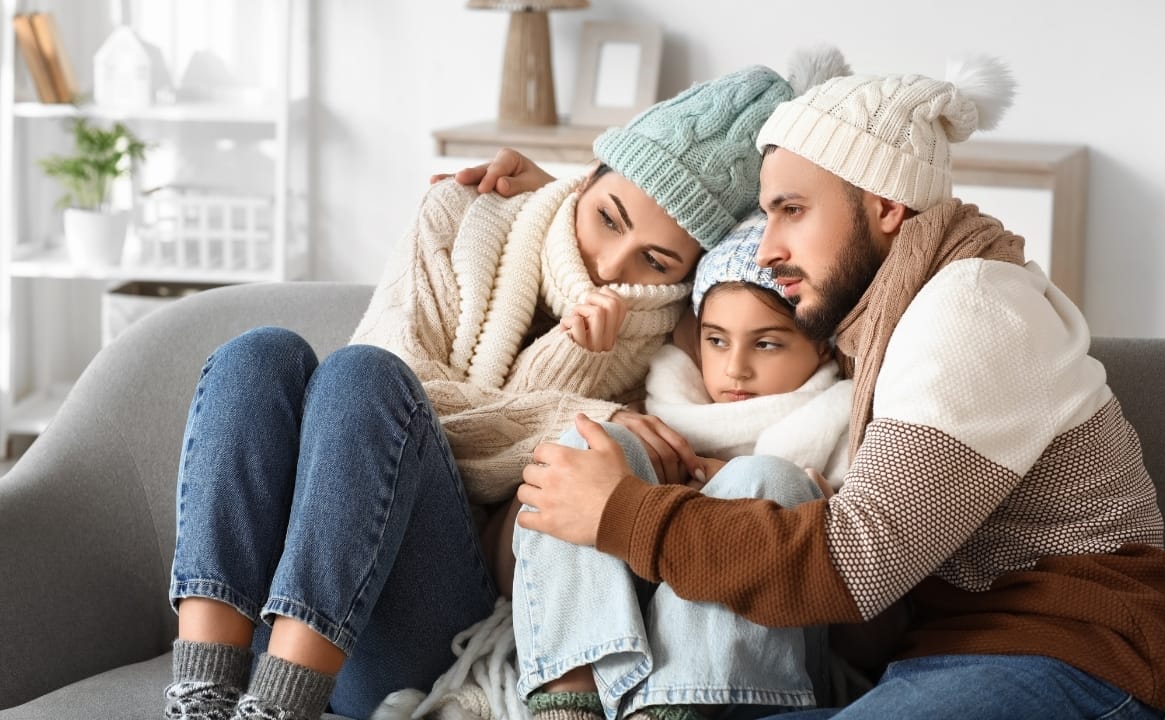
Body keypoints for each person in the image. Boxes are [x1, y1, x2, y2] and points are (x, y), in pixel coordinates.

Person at [513, 56, 1165, 719]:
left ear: (883, 206)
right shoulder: (887, 316)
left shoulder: (971, 303)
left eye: (791, 210)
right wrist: (538, 194)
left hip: (1076, 651)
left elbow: (859, 561)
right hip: (936, 654)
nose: (766, 248)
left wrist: (622, 513)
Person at [163, 63, 799, 720]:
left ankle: (278, 710)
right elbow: (402, 404)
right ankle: (202, 699)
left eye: (657, 262)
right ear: (587, 180)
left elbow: (533, 512)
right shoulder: (463, 217)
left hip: (426, 631)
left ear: (688, 275)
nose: (612, 268)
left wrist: (575, 363)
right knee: (263, 355)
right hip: (280, 595)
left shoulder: (675, 345)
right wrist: (568, 414)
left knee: (360, 381)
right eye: (608, 219)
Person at [510, 209, 853, 720]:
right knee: (588, 445)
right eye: (717, 340)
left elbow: (880, 624)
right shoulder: (664, 410)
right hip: (630, 659)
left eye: (766, 343)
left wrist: (818, 519)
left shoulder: (850, 425)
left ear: (820, 343)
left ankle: (672, 712)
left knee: (762, 480)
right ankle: (568, 701)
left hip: (763, 663)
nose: (735, 367)